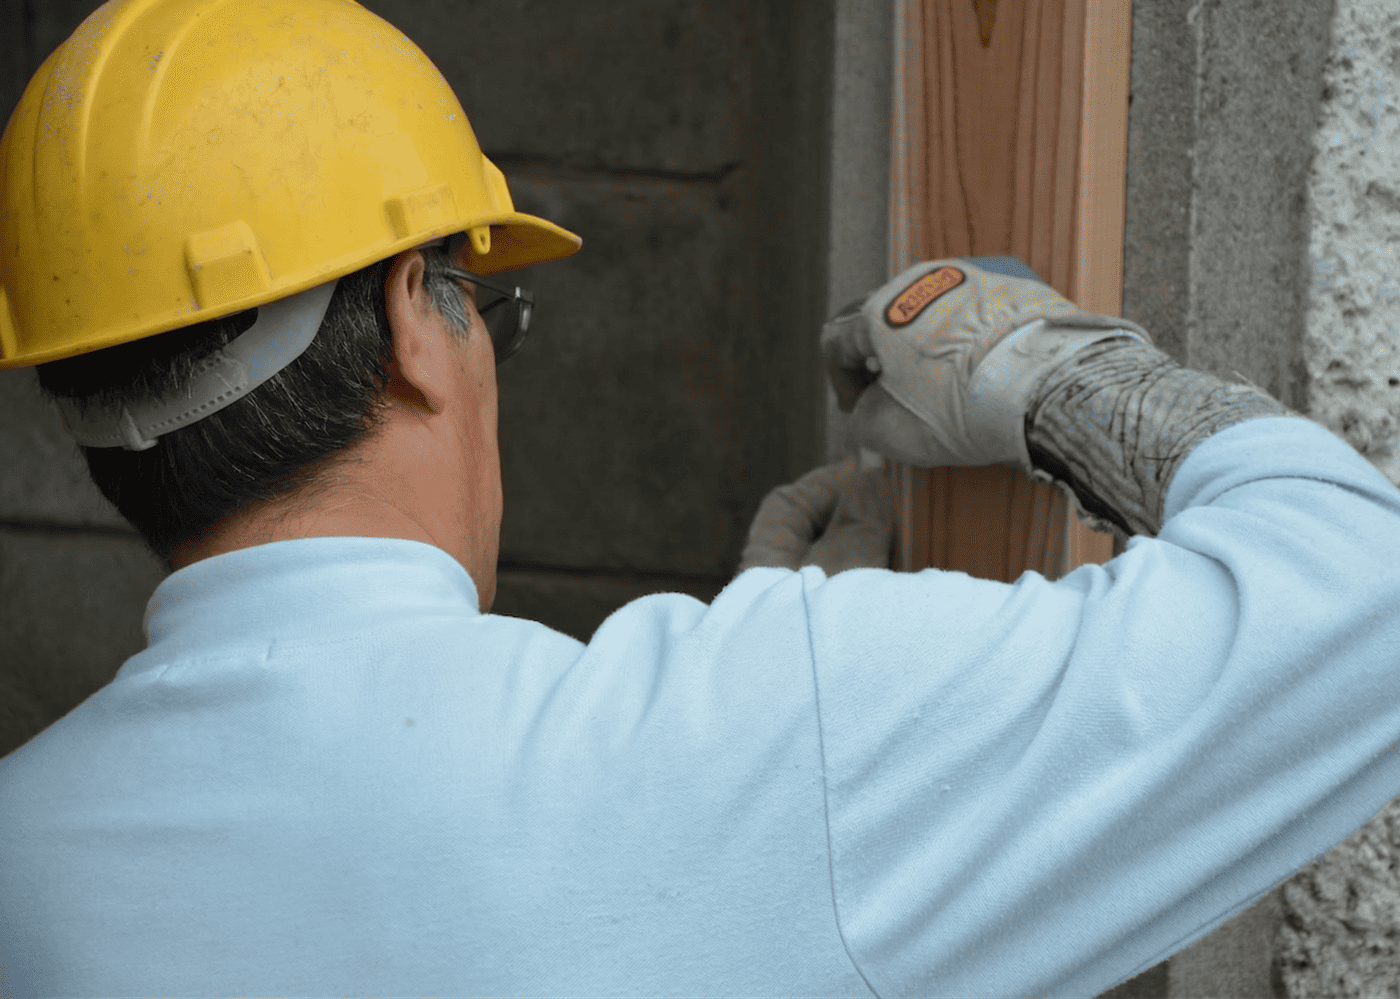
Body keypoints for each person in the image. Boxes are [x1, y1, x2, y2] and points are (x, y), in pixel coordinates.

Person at [3, 1, 1399, 997]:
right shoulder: (741, 735)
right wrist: (1051, 378)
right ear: (414, 323)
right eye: (490, 308)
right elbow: (1360, 602)